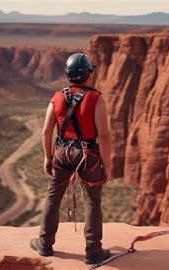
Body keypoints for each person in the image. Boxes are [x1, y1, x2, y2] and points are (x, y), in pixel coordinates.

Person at [30, 53, 112, 265]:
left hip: (62, 153)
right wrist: (107, 166)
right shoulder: (96, 98)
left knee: (53, 197)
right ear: (88, 74)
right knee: (93, 201)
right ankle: (93, 251)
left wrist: (47, 157)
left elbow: (47, 131)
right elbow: (104, 136)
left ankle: (45, 244)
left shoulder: (57, 97)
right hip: (88, 156)